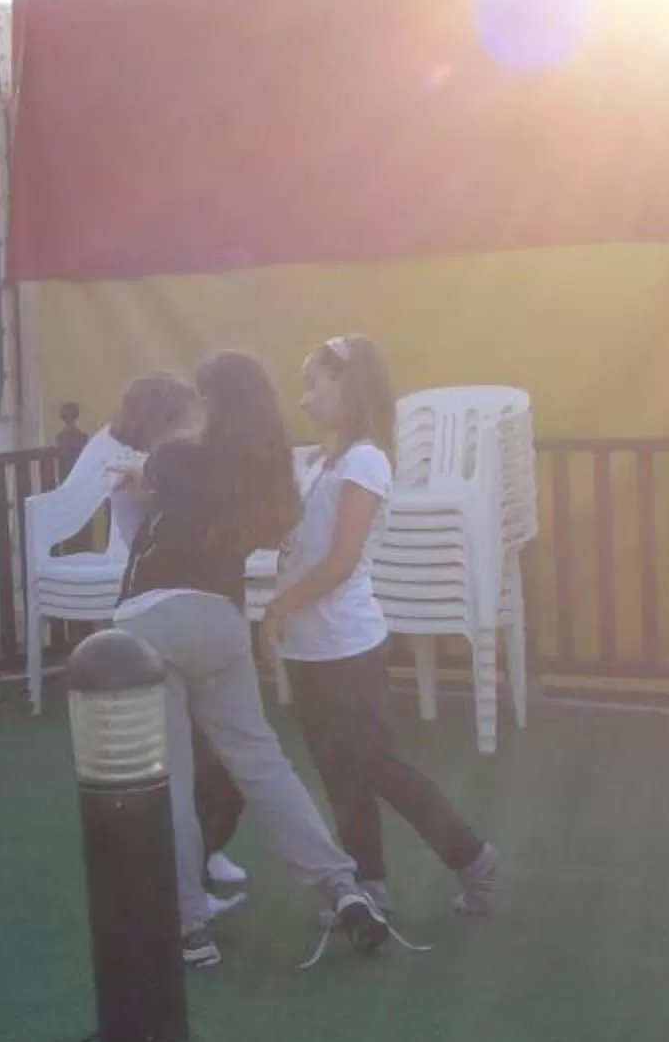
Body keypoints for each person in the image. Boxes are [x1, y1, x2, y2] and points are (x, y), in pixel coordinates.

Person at [113, 351, 372, 967]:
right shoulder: (265, 476)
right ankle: (342, 886)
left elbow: (140, 481)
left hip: (148, 620)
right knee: (262, 762)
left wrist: (137, 478)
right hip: (221, 623)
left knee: (168, 778)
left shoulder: (175, 457)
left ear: (212, 402)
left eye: (199, 397)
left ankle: (189, 928)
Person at [261, 335, 499, 921]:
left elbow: (341, 562)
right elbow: (302, 542)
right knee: (340, 773)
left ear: (349, 385)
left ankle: (472, 857)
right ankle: (370, 884)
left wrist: (277, 607)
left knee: (375, 765)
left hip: (346, 647)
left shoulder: (366, 460)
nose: (305, 397)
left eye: (313, 383)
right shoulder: (322, 464)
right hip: (313, 650)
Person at [108, 370, 248, 903]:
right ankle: (189, 881)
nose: (204, 426)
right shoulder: (145, 479)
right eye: (195, 417)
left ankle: (206, 851)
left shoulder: (179, 470)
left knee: (222, 757)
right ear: (169, 424)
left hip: (195, 620)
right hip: (167, 625)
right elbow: (150, 544)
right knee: (187, 758)